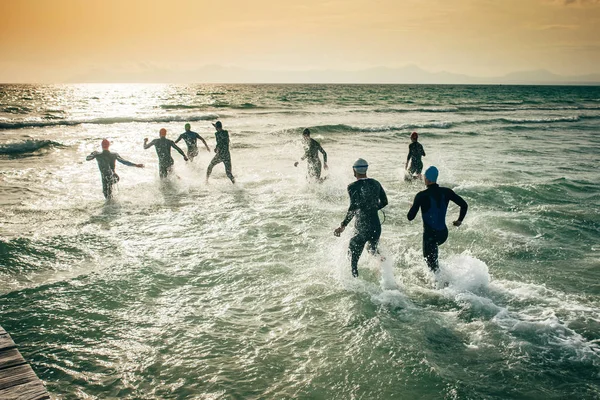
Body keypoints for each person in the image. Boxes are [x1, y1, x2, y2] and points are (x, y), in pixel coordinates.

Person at [407, 166, 468, 273]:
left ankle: (443, 286)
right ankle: (444, 279)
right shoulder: (447, 192)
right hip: (443, 234)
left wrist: (413, 206)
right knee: (434, 262)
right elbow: (464, 205)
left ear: (427, 179)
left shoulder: (421, 195)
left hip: (430, 236)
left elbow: (410, 217)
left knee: (432, 267)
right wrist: (459, 221)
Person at [334, 159, 388, 278]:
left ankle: (355, 284)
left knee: (353, 260)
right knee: (372, 250)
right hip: (376, 226)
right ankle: (385, 273)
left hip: (363, 227)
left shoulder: (352, 186)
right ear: (366, 169)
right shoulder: (376, 183)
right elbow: (385, 201)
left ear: (354, 170)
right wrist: (373, 209)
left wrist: (343, 225)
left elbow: (353, 207)